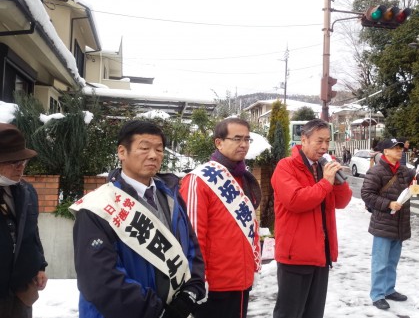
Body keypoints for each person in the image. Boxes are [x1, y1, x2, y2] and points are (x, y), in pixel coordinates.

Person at [71, 120, 206, 318]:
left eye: (159, 150)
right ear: (122, 152)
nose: (153, 155)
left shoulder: (172, 197)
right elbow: (99, 279)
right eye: (144, 148)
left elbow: (191, 249)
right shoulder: (98, 207)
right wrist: (156, 311)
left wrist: (191, 292)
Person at [179, 118, 262, 318]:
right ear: (219, 142)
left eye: (247, 139)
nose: (243, 144)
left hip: (242, 280)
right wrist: (198, 281)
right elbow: (192, 236)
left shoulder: (243, 177)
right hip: (214, 287)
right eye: (237, 139)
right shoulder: (199, 180)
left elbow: (251, 226)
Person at [361, 138, 419, 310]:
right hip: (383, 224)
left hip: (399, 224)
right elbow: (367, 195)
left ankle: (389, 290)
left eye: (399, 147)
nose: (399, 150)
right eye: (394, 148)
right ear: (385, 152)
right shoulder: (375, 172)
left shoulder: (404, 171)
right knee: (380, 262)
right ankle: (377, 295)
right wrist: (388, 204)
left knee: (392, 262)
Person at [271, 118, 353, 318]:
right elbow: (296, 200)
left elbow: (341, 202)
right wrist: (326, 182)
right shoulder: (286, 166)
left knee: (314, 313)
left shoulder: (322, 167)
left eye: (327, 141)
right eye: (319, 141)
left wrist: (338, 182)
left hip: (321, 254)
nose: (325, 146)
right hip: (295, 256)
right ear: (304, 140)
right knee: (289, 313)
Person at [0, 123, 47, 318]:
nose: (20, 168)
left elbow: (32, 232)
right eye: (13, 162)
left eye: (24, 162)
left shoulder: (26, 191)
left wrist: (39, 265)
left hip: (21, 290)